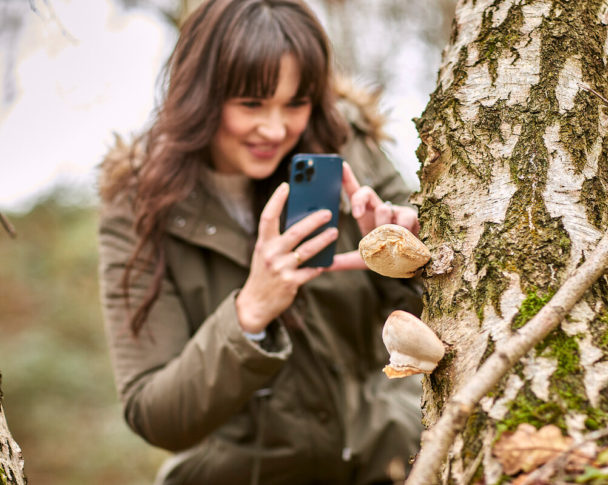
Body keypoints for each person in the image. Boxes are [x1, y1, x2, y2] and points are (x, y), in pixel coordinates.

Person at [97, 1, 424, 484]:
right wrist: (248, 313)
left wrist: (405, 259)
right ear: (201, 95)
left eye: (295, 103)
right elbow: (154, 414)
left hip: (392, 464)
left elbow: (448, 318)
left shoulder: (348, 150)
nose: (275, 129)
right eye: (251, 104)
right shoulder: (140, 208)